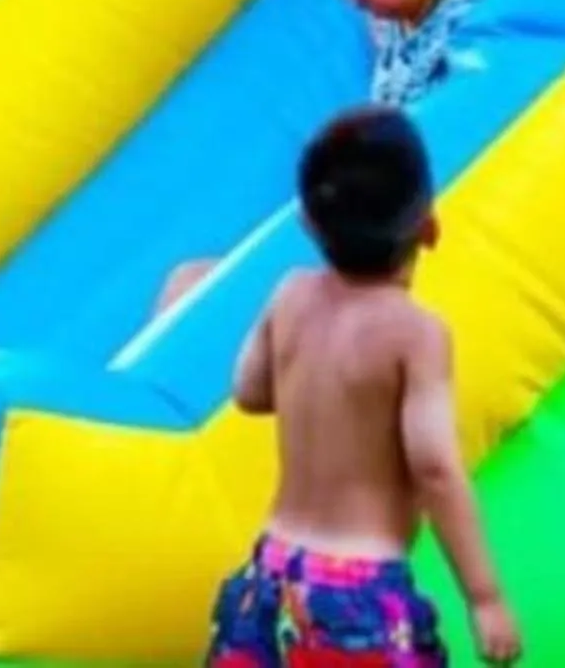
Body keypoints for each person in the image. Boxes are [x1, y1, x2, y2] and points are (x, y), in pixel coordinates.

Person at [204, 106, 523, 668]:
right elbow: (434, 469)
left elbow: (248, 391)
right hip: (355, 599)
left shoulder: (290, 294)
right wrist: (485, 598)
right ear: (429, 228)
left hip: (269, 581)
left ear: (307, 224)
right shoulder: (415, 334)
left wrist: (318, 392)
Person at [156, 0, 490, 316]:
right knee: (190, 283)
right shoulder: (404, 12)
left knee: (190, 291)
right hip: (372, 263)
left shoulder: (474, 32)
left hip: (399, 276)